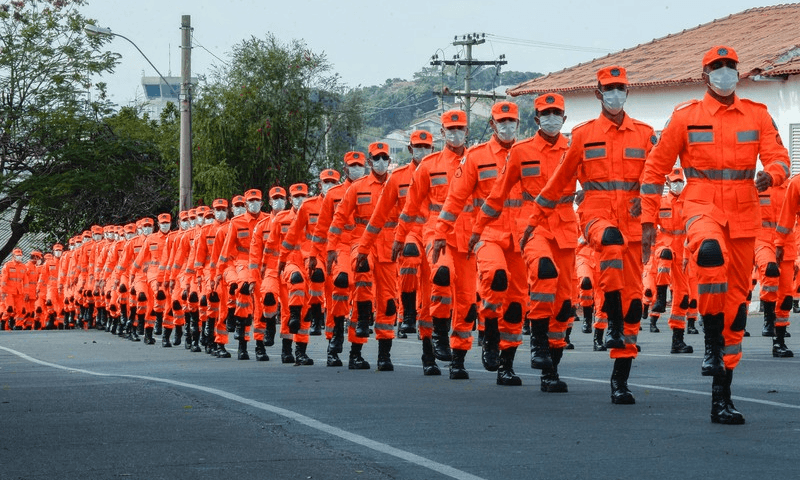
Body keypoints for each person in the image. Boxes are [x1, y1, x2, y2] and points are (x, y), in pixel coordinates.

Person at [641, 46, 790, 424]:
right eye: (716, 67)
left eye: (730, 66)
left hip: (744, 211)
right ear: (705, 74)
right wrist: (646, 220)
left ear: (737, 73)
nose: (724, 72)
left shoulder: (756, 114)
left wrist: (770, 175)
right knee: (709, 258)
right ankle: (709, 344)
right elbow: (655, 168)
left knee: (737, 303)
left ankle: (722, 393)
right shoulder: (685, 117)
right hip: (700, 206)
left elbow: (779, 156)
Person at [523, 66, 656, 404]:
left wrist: (649, 213)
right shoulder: (582, 135)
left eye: (620, 88)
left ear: (628, 91)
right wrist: (535, 218)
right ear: (598, 93)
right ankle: (609, 323)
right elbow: (560, 181)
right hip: (596, 213)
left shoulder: (645, 133)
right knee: (609, 243)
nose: (615, 94)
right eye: (608, 89)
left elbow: (657, 176)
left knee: (634, 306)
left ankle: (619, 381)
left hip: (633, 220)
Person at [475, 93, 575, 391]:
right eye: (546, 113)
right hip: (527, 229)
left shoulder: (573, 150)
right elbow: (495, 195)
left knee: (561, 302)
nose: (552, 117)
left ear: (565, 118)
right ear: (535, 119)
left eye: (557, 112)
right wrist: (476, 231)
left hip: (565, 230)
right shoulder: (520, 152)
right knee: (537, 277)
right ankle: (515, 346)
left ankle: (549, 372)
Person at [440, 100, 525, 386]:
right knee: (494, 277)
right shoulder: (477, 157)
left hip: (520, 237)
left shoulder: (527, 154)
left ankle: (506, 365)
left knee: (515, 305)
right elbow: (455, 197)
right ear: (492, 125)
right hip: (486, 234)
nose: (507, 126)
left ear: (519, 123)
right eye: (501, 121)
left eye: (511, 121)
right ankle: (489, 329)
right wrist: (441, 230)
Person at [394, 110, 473, 378]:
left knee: (466, 301)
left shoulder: (477, 162)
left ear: (467, 131)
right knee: (439, 281)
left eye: (459, 128)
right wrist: (399, 237)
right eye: (450, 128)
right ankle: (432, 346)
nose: (455, 133)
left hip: (469, 237)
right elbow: (410, 207)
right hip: (435, 235)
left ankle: (458, 359)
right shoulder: (429, 165)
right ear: (442, 133)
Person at [358, 131, 434, 341]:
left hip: (435, 235)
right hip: (409, 234)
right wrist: (364, 248)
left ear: (433, 149)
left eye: (426, 147)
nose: (422, 151)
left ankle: (429, 351)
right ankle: (408, 312)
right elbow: (380, 215)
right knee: (409, 258)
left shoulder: (441, 172)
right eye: (417, 147)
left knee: (432, 292)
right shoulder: (398, 178)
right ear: (410, 149)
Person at [333, 142, 398, 371]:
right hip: (361, 243)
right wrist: (332, 248)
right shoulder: (357, 187)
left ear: (389, 161)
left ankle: (384, 355)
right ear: (369, 161)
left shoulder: (396, 185)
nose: (381, 162)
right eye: (376, 158)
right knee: (362, 281)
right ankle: (356, 347)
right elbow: (339, 217)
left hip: (389, 248)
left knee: (388, 302)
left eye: (384, 157)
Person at [649, 168, 694, 354]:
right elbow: (650, 223)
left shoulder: (689, 203)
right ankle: (660, 296)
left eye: (680, 181)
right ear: (668, 184)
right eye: (674, 181)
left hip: (683, 250)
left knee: (683, 296)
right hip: (664, 244)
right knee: (665, 256)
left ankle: (678, 339)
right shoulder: (661, 203)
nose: (678, 184)